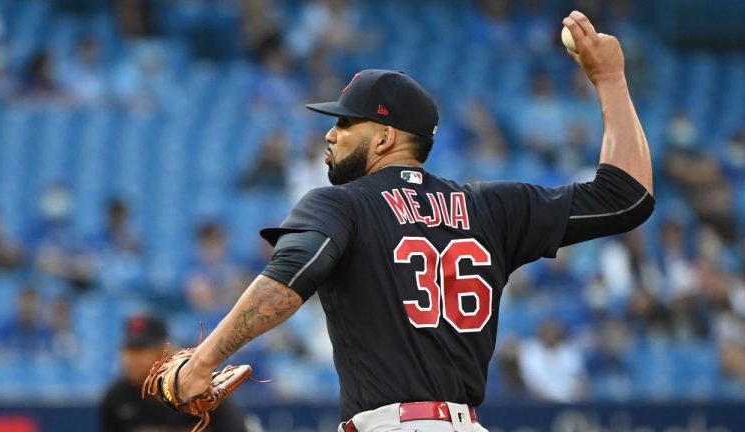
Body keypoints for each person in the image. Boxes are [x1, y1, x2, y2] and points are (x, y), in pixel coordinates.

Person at [174, 11, 653, 432]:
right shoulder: (491, 208)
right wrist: (610, 79)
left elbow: (289, 278)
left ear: (384, 138)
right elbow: (628, 197)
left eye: (345, 124)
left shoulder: (342, 203)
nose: (330, 133)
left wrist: (203, 361)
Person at [100, 314, 248, 432]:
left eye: (141, 351)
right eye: (128, 350)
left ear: (163, 351)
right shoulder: (117, 396)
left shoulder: (198, 387)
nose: (131, 359)